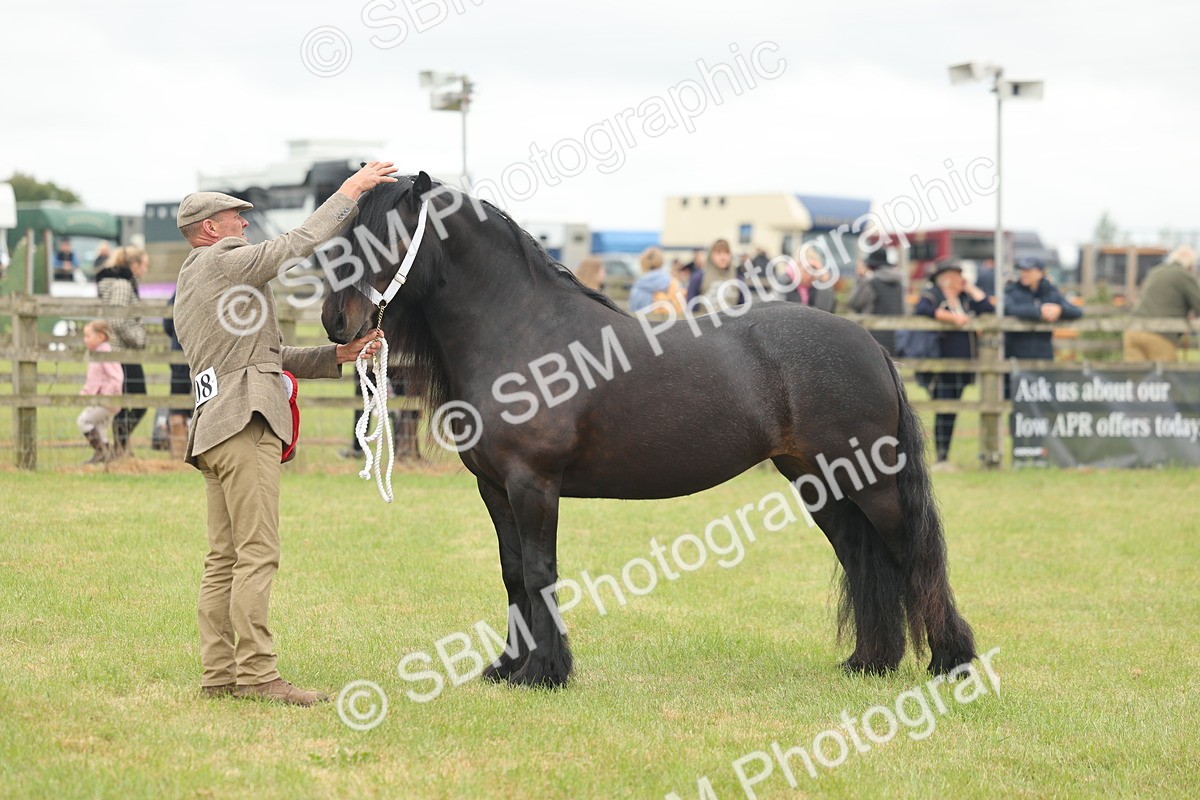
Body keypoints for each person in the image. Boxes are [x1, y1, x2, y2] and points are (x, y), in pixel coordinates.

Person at [173, 162, 395, 706]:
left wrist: (336, 356)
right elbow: (294, 245)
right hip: (245, 424)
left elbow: (262, 358)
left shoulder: (192, 280)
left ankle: (220, 673)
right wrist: (351, 191)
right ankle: (257, 675)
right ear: (208, 229)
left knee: (224, 557)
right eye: (235, 217)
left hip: (214, 428)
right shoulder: (222, 262)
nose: (245, 225)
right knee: (257, 553)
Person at [914, 259, 994, 470]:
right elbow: (922, 309)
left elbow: (987, 307)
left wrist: (970, 288)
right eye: (959, 276)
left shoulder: (964, 298)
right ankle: (941, 456)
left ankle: (944, 455)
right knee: (943, 408)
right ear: (947, 278)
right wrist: (952, 318)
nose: (962, 279)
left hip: (963, 362)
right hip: (940, 362)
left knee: (953, 409)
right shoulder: (933, 295)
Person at [97, 246, 149, 458]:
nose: (145, 270)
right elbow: (117, 320)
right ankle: (121, 445)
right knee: (140, 401)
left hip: (120, 351)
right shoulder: (122, 285)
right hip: (122, 351)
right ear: (134, 265)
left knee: (130, 400)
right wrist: (139, 337)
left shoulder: (122, 284)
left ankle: (122, 447)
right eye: (145, 265)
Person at [1124, 245, 1200, 362]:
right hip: (1159, 333)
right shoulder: (1184, 275)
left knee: (1136, 377)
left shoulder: (1156, 270)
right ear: (1190, 265)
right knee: (1165, 376)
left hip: (1133, 330)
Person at [1004, 256, 1083, 363]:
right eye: (1022, 270)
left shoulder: (1050, 292)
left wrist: (1060, 310)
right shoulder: (1012, 290)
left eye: (1028, 270)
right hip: (1015, 355)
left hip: (1044, 355)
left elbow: (1077, 311)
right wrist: (1038, 311)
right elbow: (1009, 308)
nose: (1024, 273)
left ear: (1040, 273)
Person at [77, 321, 124, 465]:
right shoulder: (97, 354)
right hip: (102, 400)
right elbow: (95, 380)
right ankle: (107, 461)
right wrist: (86, 392)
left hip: (107, 401)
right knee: (101, 430)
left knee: (84, 421)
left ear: (101, 337)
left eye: (88, 336)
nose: (85, 339)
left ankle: (101, 452)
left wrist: (106, 395)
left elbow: (117, 378)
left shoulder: (105, 354)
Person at [848, 247, 906, 354]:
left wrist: (859, 279)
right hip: (896, 336)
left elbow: (854, 303)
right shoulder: (899, 284)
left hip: (873, 336)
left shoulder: (871, 283)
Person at [163, 292, 192, 460]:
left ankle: (177, 457)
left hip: (180, 357)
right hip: (205, 359)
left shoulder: (178, 291)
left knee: (177, 410)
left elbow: (167, 324)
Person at [628, 246, 683, 313]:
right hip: (669, 322)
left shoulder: (638, 287)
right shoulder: (674, 283)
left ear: (643, 262)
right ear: (662, 261)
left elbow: (632, 313)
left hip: (643, 322)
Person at [699, 239, 739, 310]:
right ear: (711, 255)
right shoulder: (699, 277)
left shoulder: (737, 278)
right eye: (718, 253)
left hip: (731, 319)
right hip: (705, 319)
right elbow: (691, 309)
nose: (723, 257)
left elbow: (744, 308)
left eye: (726, 253)